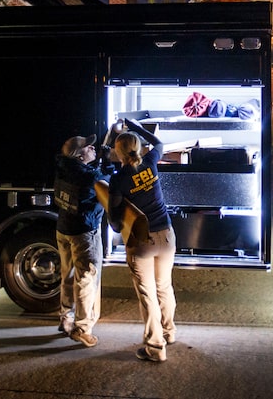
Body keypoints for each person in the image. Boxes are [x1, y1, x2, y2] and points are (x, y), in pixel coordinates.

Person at [108, 119, 177, 362]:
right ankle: (168, 332)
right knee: (164, 286)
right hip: (167, 235)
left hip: (142, 240)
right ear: (138, 148)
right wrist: (136, 127)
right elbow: (158, 142)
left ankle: (155, 348)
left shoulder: (118, 180)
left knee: (147, 293)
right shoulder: (150, 163)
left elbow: (115, 222)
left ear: (118, 152)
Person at [54, 134, 112, 348]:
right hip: (83, 233)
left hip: (63, 229)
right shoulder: (89, 177)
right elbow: (107, 183)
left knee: (67, 275)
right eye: (88, 147)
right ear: (79, 156)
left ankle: (66, 318)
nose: (93, 147)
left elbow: (86, 174)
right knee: (87, 277)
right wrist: (108, 162)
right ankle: (82, 328)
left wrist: (98, 162)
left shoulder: (63, 167)